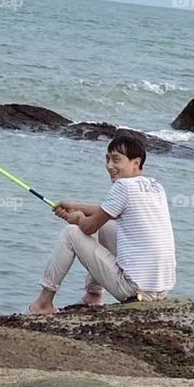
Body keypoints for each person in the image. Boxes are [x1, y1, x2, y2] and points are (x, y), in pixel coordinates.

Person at [28, 129, 176, 313]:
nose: (109, 165)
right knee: (106, 226)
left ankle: (43, 304)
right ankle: (94, 295)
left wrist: (77, 218)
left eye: (116, 159)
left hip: (134, 291)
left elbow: (89, 227)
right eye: (107, 159)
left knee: (70, 234)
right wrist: (75, 205)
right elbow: (108, 213)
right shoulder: (155, 186)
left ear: (136, 163)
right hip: (160, 291)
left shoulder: (123, 186)